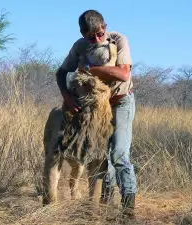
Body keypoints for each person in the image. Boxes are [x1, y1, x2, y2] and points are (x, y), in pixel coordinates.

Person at [55, 9, 137, 217]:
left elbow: (123, 73)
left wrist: (91, 70)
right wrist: (67, 96)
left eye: (100, 34)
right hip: (96, 107)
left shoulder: (118, 40)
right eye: (91, 36)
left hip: (120, 103)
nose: (97, 39)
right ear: (83, 34)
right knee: (101, 156)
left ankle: (128, 210)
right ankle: (104, 205)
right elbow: (62, 72)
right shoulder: (80, 46)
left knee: (119, 154)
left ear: (105, 27)